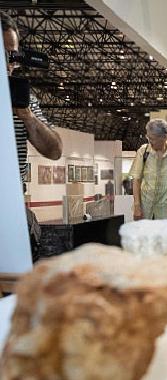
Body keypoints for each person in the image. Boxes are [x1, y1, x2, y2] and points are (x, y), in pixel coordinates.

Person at [3, 10, 62, 262]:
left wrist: (27, 116)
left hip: (10, 209)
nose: (10, 62)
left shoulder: (24, 99)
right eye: (4, 54)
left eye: (13, 55)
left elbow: (54, 150)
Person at [129, 119, 167, 220]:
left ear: (165, 137)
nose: (150, 142)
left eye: (153, 139)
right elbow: (136, 180)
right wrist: (137, 206)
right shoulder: (143, 151)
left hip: (166, 212)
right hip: (145, 210)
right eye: (148, 138)